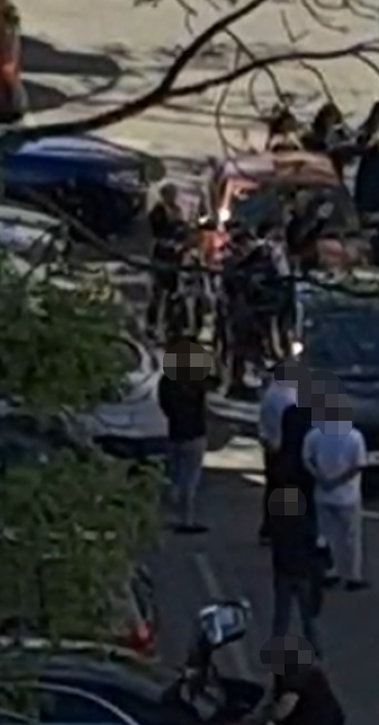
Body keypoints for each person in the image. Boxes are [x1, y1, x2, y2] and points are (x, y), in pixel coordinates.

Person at [303, 394, 368, 591]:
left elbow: (307, 460)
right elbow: (358, 465)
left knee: (325, 534)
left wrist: (320, 478)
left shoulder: (315, 435)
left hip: (322, 493)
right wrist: (338, 481)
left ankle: (330, 571)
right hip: (348, 495)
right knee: (351, 536)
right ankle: (353, 575)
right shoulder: (354, 437)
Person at [157, 342, 210, 534]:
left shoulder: (166, 382)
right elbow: (204, 407)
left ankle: (169, 513)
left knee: (174, 474)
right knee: (191, 477)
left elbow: (163, 405)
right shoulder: (197, 381)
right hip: (195, 433)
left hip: (174, 431)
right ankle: (187, 518)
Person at [266, 486, 324, 656]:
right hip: (303, 572)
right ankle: (315, 647)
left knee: (282, 614)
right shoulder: (307, 524)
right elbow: (317, 547)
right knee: (308, 615)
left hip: (283, 572)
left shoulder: (277, 524)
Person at [259, 364, 303, 542]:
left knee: (273, 488)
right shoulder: (288, 398)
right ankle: (283, 527)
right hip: (286, 448)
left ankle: (269, 527)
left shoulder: (270, 394)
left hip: (271, 446)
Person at [146, 184, 190, 340]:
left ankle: (170, 324)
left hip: (175, 256)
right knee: (158, 292)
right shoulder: (158, 211)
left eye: (174, 194)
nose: (173, 197)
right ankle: (151, 325)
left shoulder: (177, 210)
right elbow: (158, 229)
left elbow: (183, 229)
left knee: (173, 291)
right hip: (162, 254)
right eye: (170, 194)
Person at [268, 662, 345, 725]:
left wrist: (269, 715)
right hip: (331, 716)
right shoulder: (313, 672)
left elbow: (283, 708)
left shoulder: (292, 678)